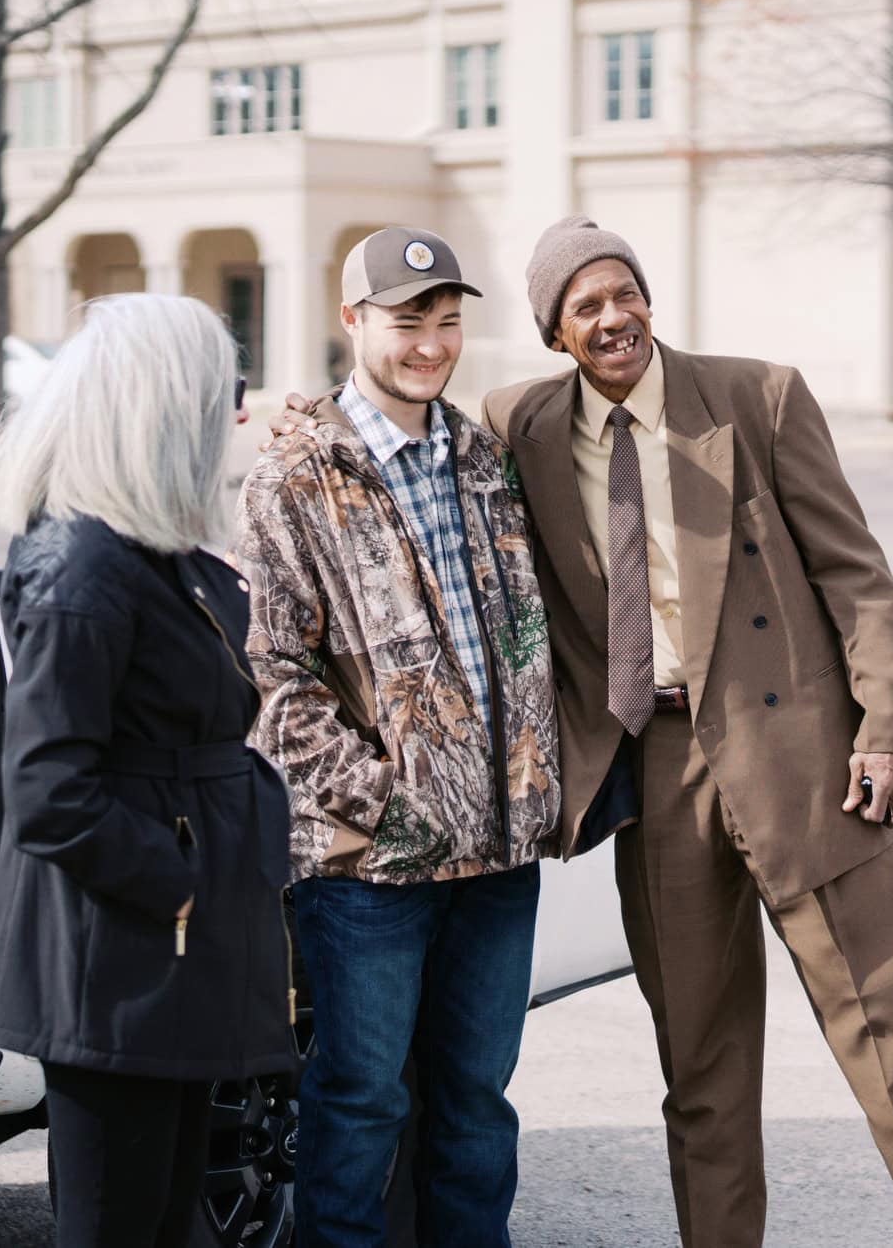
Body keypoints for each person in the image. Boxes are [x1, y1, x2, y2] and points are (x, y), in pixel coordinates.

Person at [483, 216, 893, 1248]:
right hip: (653, 766)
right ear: (555, 332)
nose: (613, 317)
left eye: (624, 292)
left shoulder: (756, 396)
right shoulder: (521, 425)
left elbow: (854, 572)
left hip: (803, 758)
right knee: (701, 1065)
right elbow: (404, 430)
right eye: (585, 305)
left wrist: (889, 729)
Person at [236, 227, 560, 1247]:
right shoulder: (291, 478)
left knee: (477, 1105)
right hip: (368, 866)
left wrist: (532, 789)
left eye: (448, 321)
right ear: (352, 321)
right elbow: (273, 674)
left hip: (498, 855)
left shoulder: (486, 460)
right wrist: (383, 799)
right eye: (408, 320)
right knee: (359, 1099)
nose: (431, 343)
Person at [0, 294, 296, 1248]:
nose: (239, 411)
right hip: (121, 959)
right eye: (226, 388)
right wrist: (178, 884)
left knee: (169, 1220)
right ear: (162, 403)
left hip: (170, 956)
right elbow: (47, 787)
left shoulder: (150, 549)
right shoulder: (83, 563)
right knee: (118, 1223)